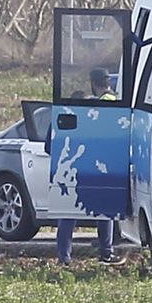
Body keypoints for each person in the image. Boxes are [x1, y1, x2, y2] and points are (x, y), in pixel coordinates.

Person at [56, 67, 122, 264]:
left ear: (94, 83)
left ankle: (64, 257)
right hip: (101, 166)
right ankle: (106, 252)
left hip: (75, 169)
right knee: (104, 209)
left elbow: (53, 146)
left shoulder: (72, 115)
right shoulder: (114, 103)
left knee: (68, 211)